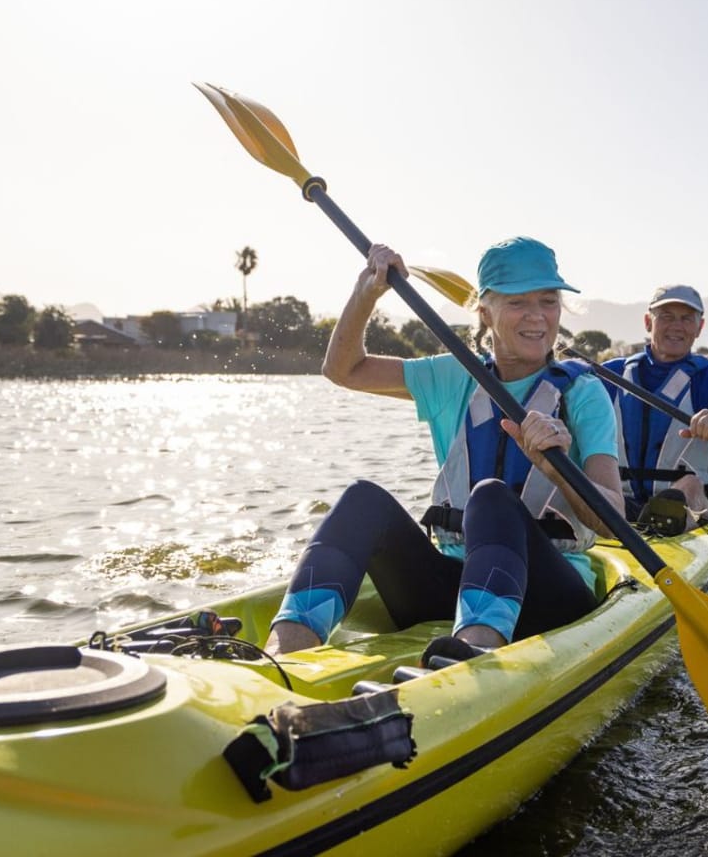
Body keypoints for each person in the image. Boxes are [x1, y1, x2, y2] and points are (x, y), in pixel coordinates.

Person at [264, 237, 625, 662]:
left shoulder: (584, 393)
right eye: (518, 302)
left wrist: (556, 468)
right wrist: (367, 294)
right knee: (362, 498)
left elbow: (615, 521)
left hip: (549, 596)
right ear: (484, 312)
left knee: (491, 495)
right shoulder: (453, 376)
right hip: (451, 588)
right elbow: (343, 371)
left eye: (548, 301)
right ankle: (283, 652)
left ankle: (472, 657)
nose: (537, 316)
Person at [601, 284, 708, 533]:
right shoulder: (610, 374)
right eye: (666, 316)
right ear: (647, 322)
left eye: (687, 318)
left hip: (696, 499)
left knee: (688, 486)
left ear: (699, 328)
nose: (676, 326)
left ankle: (669, 517)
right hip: (621, 500)